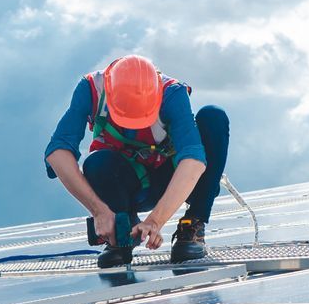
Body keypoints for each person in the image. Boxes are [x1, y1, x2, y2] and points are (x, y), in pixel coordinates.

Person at [43, 54, 229, 268]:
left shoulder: (172, 93)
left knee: (213, 117)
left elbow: (193, 160)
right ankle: (121, 232)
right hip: (127, 183)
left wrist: (155, 221)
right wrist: (99, 212)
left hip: (171, 181)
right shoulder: (91, 90)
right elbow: (57, 152)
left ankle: (193, 225)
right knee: (96, 162)